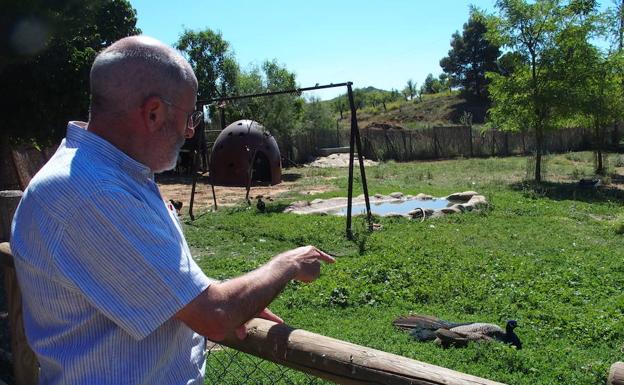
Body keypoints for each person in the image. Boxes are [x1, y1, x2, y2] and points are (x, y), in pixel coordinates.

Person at [10, 35, 334, 385]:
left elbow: (148, 275)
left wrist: (243, 298)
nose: (191, 129)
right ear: (153, 113)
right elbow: (214, 315)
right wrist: (286, 265)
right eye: (190, 115)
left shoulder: (108, 176)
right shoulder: (94, 194)